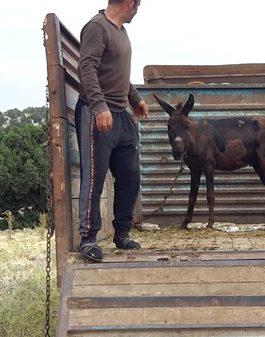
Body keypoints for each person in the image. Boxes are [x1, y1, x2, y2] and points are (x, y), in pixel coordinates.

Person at [76, 0, 148, 262]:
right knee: (95, 177)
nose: (139, 9)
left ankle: (122, 233)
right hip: (98, 113)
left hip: (121, 114)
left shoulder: (120, 31)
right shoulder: (97, 27)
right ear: (130, 2)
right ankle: (88, 238)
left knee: (130, 176)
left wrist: (135, 98)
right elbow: (87, 68)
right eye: (139, 4)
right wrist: (99, 106)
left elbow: (118, 73)